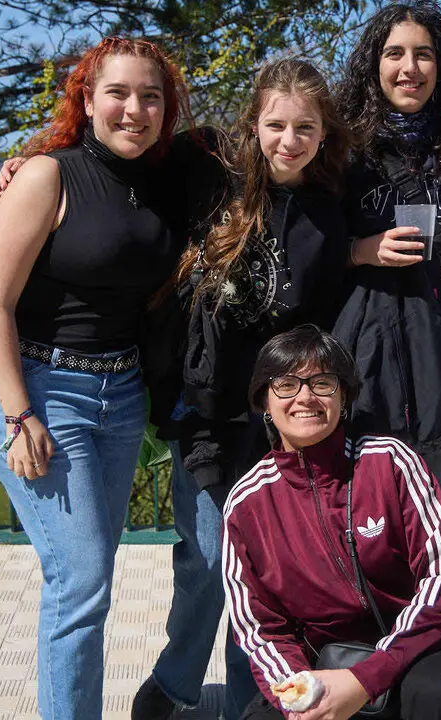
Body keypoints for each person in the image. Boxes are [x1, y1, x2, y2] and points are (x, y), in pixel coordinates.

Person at [0, 37, 193, 719]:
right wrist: (18, 415)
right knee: (82, 582)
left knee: (86, 579)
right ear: (88, 99)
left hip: (120, 398)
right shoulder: (48, 176)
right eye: (119, 93)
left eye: (150, 96)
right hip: (41, 391)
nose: (135, 109)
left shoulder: (160, 183)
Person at [131, 59, 353, 720]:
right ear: (253, 124)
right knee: (203, 558)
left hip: (276, 421)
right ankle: (174, 683)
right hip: (203, 407)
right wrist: (34, 161)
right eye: (276, 124)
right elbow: (121, 158)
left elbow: (323, 315)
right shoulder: (206, 175)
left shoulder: (325, 215)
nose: (289, 139)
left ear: (322, 132)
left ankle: (252, 700)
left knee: (262, 571)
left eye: (304, 127)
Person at [223, 325, 441, 720]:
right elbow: (261, 630)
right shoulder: (247, 504)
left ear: (345, 396)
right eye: (286, 384)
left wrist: (365, 679)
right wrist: (302, 696)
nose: (305, 397)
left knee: (440, 698)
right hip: (326, 662)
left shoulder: (390, 462)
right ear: (264, 402)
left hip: (429, 648)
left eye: (322, 383)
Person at [333, 0, 441, 546]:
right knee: (374, 523)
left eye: (423, 54)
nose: (410, 67)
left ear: (440, 65)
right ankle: (382, 629)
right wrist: (360, 250)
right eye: (395, 53)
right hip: (370, 361)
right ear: (374, 65)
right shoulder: (343, 151)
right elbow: (304, 249)